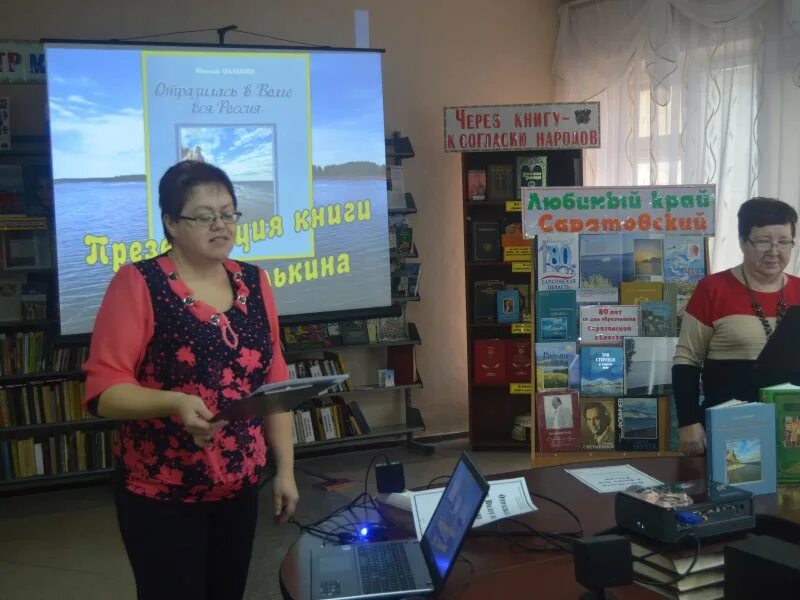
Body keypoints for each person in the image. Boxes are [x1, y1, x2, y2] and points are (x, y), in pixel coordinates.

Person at [82, 160, 298, 600]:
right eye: (204, 216)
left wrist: (286, 471)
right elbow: (105, 391)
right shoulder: (138, 283)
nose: (221, 225)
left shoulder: (254, 282)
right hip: (162, 494)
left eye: (228, 213)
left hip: (239, 486)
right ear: (171, 223)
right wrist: (173, 402)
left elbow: (274, 385)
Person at [673, 197, 800, 457]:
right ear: (743, 241)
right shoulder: (712, 289)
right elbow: (687, 359)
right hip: (730, 431)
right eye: (763, 240)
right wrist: (688, 421)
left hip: (791, 431)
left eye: (784, 241)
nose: (774, 251)